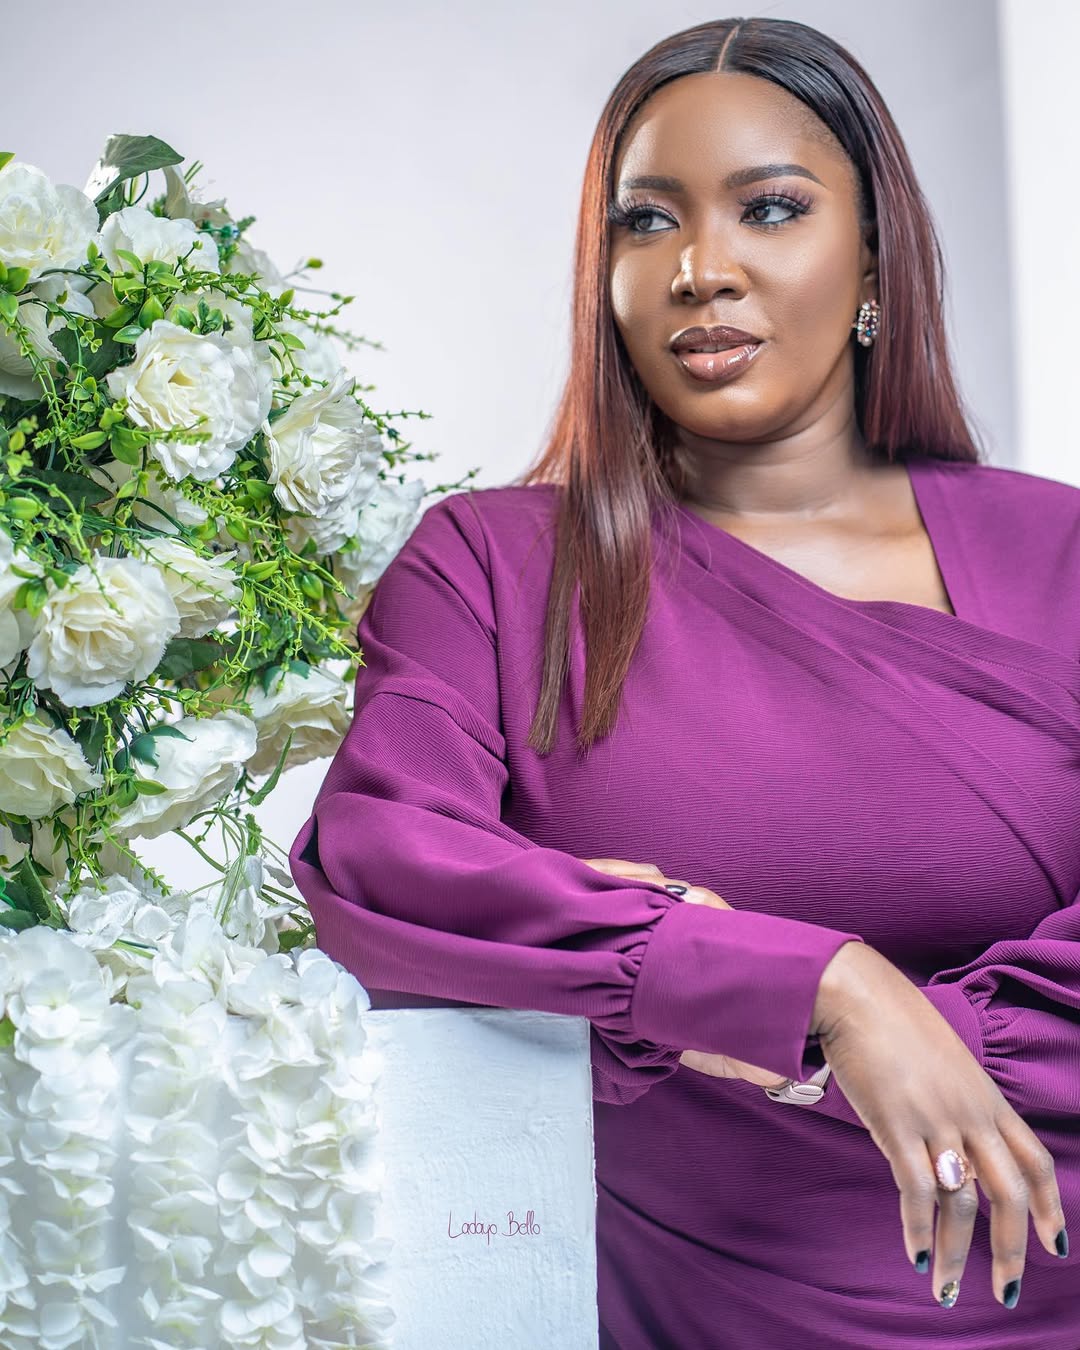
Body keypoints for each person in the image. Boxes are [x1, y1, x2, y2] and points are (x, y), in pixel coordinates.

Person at [289, 16, 1079, 1346]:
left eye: (771, 208)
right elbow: (384, 858)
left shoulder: (1058, 549)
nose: (701, 269)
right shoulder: (489, 568)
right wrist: (818, 993)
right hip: (686, 1314)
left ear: (875, 256)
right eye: (646, 222)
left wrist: (923, 1043)